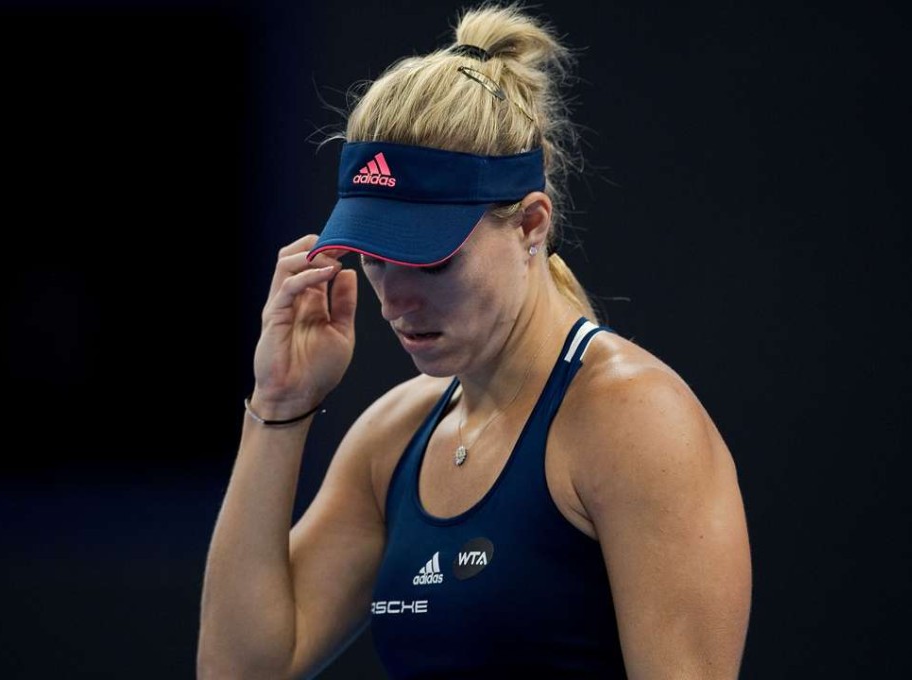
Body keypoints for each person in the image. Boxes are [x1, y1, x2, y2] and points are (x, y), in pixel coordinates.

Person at [197, 3, 752, 678]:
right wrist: (279, 405)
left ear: (530, 225)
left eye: (432, 262)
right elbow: (239, 671)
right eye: (374, 259)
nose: (394, 301)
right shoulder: (394, 437)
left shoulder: (634, 421)